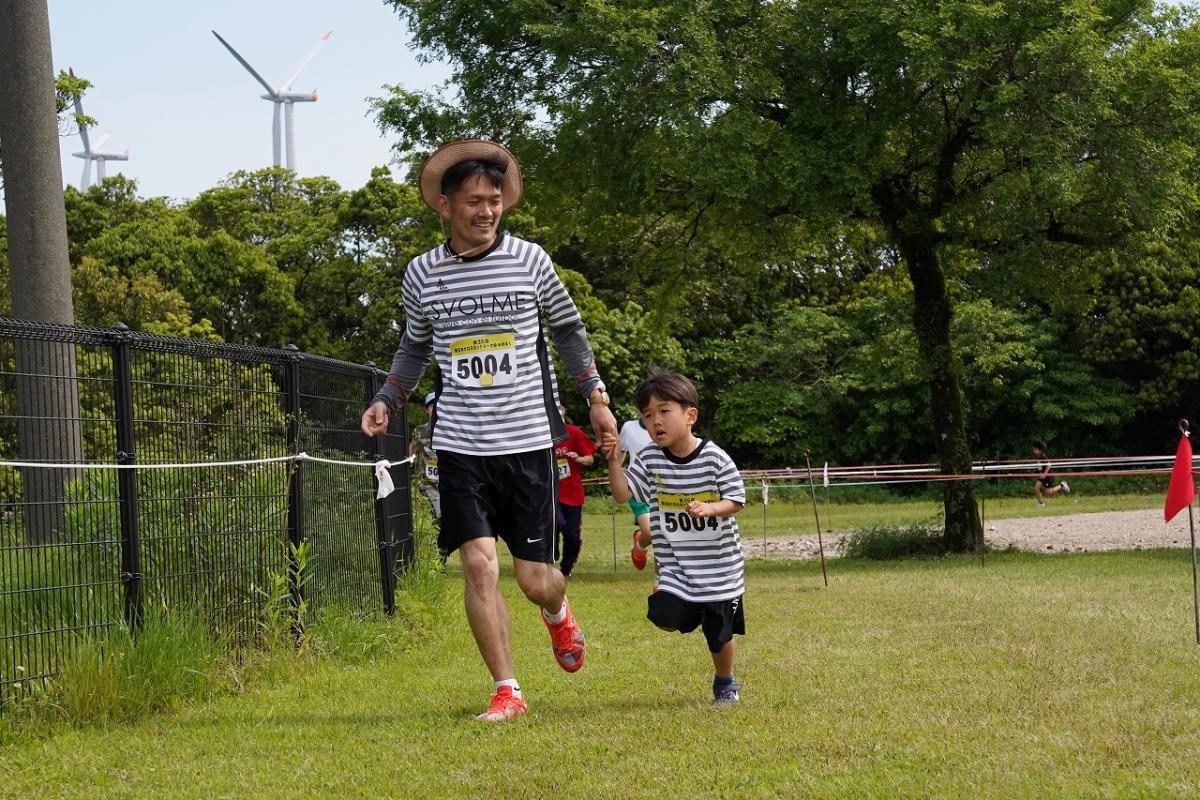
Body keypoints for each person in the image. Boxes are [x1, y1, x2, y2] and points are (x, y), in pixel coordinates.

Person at [361, 139, 618, 722]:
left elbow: (570, 332)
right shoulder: (422, 274)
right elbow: (413, 347)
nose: (487, 211)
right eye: (474, 201)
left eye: (495, 201)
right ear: (445, 206)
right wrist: (387, 397)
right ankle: (508, 690)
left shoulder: (530, 260)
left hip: (528, 442)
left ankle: (559, 616)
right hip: (460, 446)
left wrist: (596, 398)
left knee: (535, 582)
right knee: (478, 565)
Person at [601, 371, 747, 705]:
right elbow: (623, 494)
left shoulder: (714, 457)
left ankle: (724, 682)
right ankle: (681, 600)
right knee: (665, 617)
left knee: (719, 636)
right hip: (678, 565)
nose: (656, 422)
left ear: (690, 415)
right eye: (647, 416)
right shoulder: (649, 458)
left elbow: (736, 499)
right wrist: (614, 463)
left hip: (720, 569)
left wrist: (711, 509)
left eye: (664, 411)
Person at [554, 404, 596, 577]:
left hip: (573, 494)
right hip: (550, 493)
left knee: (572, 534)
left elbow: (590, 459)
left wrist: (578, 458)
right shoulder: (541, 435)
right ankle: (550, 555)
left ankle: (566, 567)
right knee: (555, 524)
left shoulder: (574, 433)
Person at [619, 417, 654, 572]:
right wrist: (616, 471)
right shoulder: (629, 428)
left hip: (663, 485)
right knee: (650, 532)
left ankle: (659, 582)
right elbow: (620, 452)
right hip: (637, 486)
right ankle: (639, 545)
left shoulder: (667, 425)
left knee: (665, 535)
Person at [409, 392, 442, 525]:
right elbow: (412, 447)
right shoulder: (419, 431)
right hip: (427, 483)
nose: (436, 408)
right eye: (432, 405)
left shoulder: (449, 430)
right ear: (426, 410)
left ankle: (440, 542)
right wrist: (410, 460)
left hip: (446, 481)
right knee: (438, 513)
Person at [1032, 438, 1071, 507]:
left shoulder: (1043, 457)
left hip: (1047, 477)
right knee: (1036, 488)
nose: (1033, 451)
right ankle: (1041, 503)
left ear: (1040, 450)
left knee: (1049, 492)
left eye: (1035, 449)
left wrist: (1044, 474)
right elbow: (1039, 467)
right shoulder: (1038, 457)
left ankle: (1062, 485)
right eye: (1033, 449)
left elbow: (1049, 465)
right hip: (1042, 477)